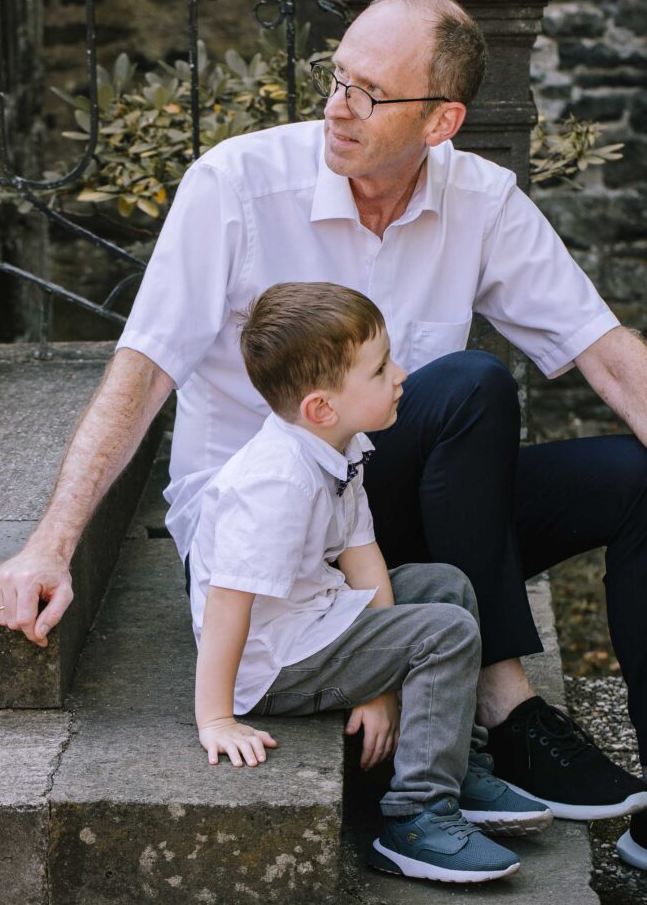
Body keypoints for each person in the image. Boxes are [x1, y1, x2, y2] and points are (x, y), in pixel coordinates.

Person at [0, 0, 647, 865]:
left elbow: (605, 351)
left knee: (634, 479)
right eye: (337, 77)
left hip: (379, 518)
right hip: (267, 539)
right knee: (469, 385)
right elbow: (144, 367)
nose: (339, 106)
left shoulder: (480, 199)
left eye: (371, 92)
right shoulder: (236, 184)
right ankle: (506, 709)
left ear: (442, 121)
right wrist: (51, 542)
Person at [193, 280, 551, 883]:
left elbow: (363, 557)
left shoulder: (343, 445)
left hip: (318, 618)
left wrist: (380, 681)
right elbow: (228, 605)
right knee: (445, 632)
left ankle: (453, 766)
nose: (402, 375)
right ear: (321, 408)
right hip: (276, 662)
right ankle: (417, 818)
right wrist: (217, 719)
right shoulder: (275, 484)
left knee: (445, 585)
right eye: (381, 369)